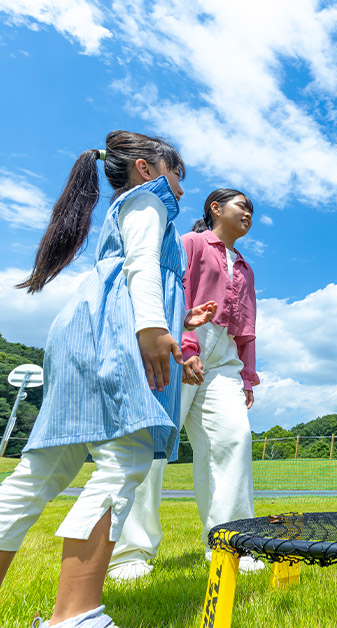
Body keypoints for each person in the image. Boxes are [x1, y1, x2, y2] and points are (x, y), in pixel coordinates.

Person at [0, 130, 217, 627]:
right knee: (127, 456)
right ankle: (76, 617)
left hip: (84, 332)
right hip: (115, 334)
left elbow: (128, 274)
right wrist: (152, 326)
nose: (181, 190)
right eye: (177, 177)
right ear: (147, 168)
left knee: (42, 472)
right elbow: (141, 266)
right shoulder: (150, 199)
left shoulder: (127, 206)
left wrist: (180, 321)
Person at [108, 188, 262, 580]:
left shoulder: (244, 266)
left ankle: (232, 545)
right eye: (242, 205)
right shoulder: (190, 243)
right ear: (215, 208)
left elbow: (247, 331)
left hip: (224, 359)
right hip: (181, 348)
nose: (248, 213)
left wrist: (246, 375)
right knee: (154, 446)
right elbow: (178, 296)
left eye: (251, 210)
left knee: (234, 440)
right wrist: (187, 348)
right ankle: (131, 552)